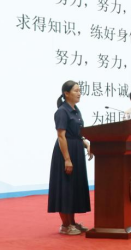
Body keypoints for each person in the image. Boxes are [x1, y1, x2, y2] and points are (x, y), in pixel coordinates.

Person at [48, 80, 93, 236]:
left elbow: (78, 134)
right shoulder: (62, 111)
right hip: (65, 152)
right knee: (65, 187)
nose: (79, 93)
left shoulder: (76, 110)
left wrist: (86, 143)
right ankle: (65, 225)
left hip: (76, 150)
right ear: (66, 93)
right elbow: (61, 136)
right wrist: (67, 159)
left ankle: (73, 222)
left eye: (80, 90)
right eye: (76, 90)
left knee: (74, 187)